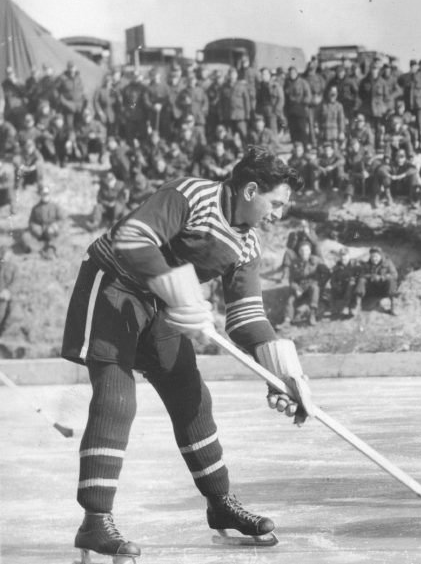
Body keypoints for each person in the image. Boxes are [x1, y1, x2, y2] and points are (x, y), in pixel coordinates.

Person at [59, 146, 311, 561]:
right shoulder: (191, 194)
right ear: (251, 190)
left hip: (163, 308)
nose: (278, 214)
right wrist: (181, 291)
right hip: (113, 286)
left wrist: (283, 375)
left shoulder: (246, 247)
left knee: (192, 397)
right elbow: (134, 236)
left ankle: (219, 504)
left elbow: (247, 318)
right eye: (277, 203)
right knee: (116, 398)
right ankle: (94, 521)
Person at [281, 240, 329, 328]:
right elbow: (291, 280)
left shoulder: (316, 260)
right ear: (299, 252)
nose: (304, 253)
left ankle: (312, 314)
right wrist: (297, 289)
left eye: (306, 250)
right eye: (302, 250)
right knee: (290, 300)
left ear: (310, 251)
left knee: (314, 288)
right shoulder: (295, 263)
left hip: (312, 286)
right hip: (300, 288)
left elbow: (327, 273)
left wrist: (320, 284)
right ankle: (287, 320)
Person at [21, 183, 65, 259]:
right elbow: (31, 222)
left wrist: (55, 226)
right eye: (43, 194)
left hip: (52, 232)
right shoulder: (35, 208)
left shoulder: (55, 206)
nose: (45, 195)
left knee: (56, 236)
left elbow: (61, 219)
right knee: (25, 236)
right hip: (40, 232)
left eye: (47, 193)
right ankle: (35, 250)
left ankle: (50, 250)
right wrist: (36, 228)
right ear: (40, 195)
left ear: (49, 194)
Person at [354, 247, 399, 315]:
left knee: (391, 280)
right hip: (372, 289)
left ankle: (393, 306)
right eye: (372, 257)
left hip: (384, 289)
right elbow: (361, 275)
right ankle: (357, 305)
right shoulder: (367, 264)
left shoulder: (388, 263)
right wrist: (371, 276)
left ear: (381, 255)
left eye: (376, 256)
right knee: (362, 280)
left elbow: (395, 275)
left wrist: (381, 277)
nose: (374, 259)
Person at [0, 245, 15, 337]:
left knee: (4, 315)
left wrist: (8, 291)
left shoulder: (13, 268)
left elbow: (16, 282)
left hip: (5, 297)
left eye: (8, 255)